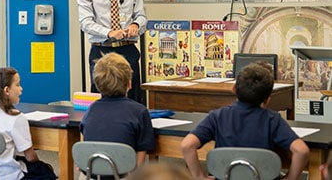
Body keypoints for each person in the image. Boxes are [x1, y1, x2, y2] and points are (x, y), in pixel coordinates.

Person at [181, 62, 310, 180]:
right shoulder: (272, 120)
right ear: (267, 99)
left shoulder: (218, 116)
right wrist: (290, 178)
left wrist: (199, 176)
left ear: (233, 89)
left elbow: (187, 145)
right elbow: (301, 150)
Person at [77, 0, 147, 103]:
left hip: (127, 50)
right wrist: (109, 33)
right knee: (102, 101)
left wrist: (136, 25)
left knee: (133, 100)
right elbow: (85, 22)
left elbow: (142, 16)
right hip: (101, 52)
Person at [80, 52, 155, 176]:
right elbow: (141, 156)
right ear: (129, 83)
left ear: (97, 85)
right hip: (125, 175)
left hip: (92, 175)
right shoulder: (139, 111)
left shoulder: (91, 109)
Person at [0, 68, 56, 180]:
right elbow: (30, 157)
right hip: (10, 176)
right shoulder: (16, 117)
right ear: (6, 90)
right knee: (46, 171)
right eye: (17, 85)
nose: (21, 89)